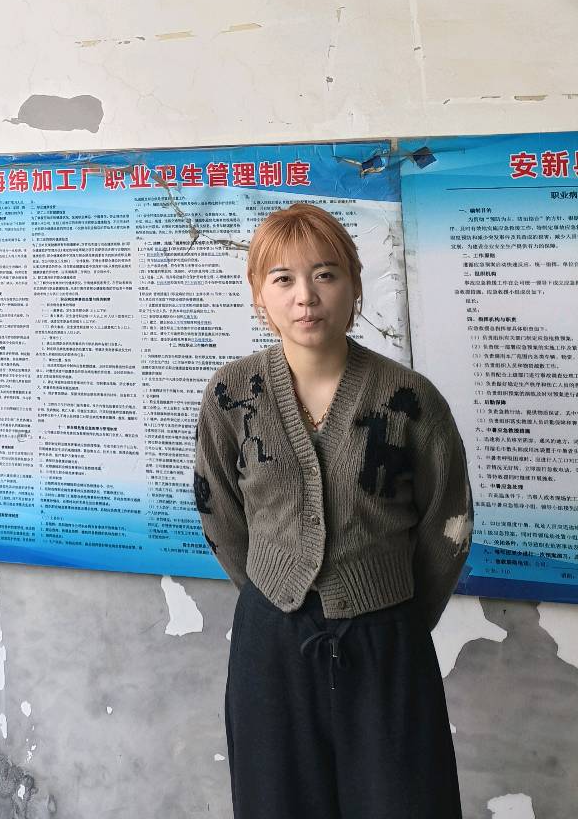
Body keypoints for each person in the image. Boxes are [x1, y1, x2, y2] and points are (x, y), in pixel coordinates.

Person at [194, 202, 471, 819]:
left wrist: (393, 613)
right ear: (258, 294)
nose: (306, 297)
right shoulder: (231, 395)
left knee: (403, 803)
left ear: (354, 286)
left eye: (325, 274)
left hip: (386, 641)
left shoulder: (409, 398)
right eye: (283, 279)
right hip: (271, 642)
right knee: (278, 802)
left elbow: (447, 521)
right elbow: (221, 513)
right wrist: (277, 592)